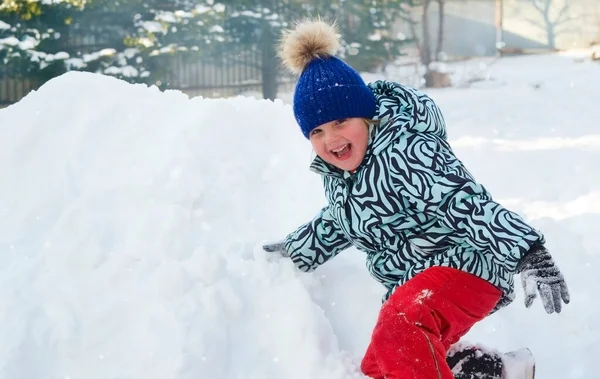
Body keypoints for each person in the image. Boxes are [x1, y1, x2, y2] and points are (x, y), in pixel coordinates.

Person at [263, 19, 569, 379]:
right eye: (316, 130)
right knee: (380, 366)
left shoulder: (407, 151)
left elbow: (464, 204)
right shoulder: (343, 179)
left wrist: (526, 250)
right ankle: (493, 371)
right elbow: (336, 223)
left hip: (466, 265)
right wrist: (289, 254)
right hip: (416, 283)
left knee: (402, 329)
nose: (331, 138)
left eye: (341, 121)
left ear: (366, 117)